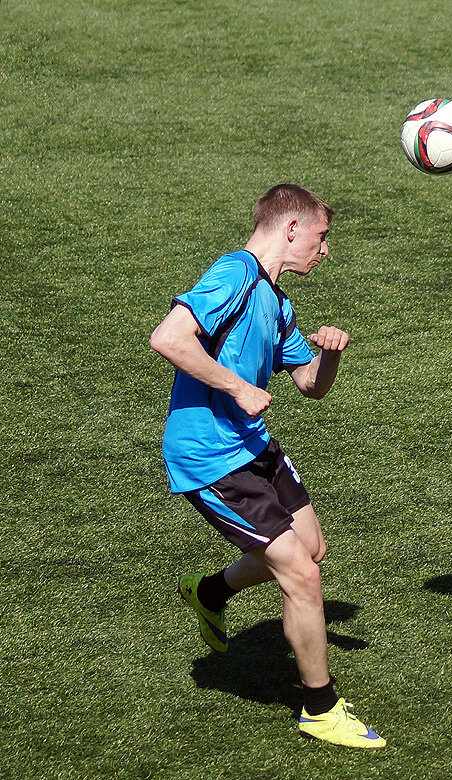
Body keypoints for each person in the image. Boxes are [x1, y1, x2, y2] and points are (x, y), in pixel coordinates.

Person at [150, 184, 384, 747]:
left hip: (252, 445)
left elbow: (310, 386)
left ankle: (210, 591)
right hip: (210, 457)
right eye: (322, 238)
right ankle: (319, 709)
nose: (325, 251)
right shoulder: (234, 275)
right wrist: (236, 386)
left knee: (312, 548)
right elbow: (169, 338)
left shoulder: (277, 301)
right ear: (291, 229)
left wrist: (328, 354)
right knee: (302, 575)